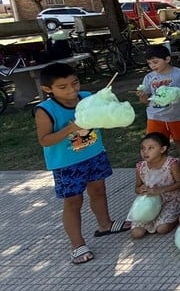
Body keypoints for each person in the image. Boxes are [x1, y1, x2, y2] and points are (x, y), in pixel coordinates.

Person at [35, 63, 130, 264]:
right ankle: (77, 245)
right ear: (47, 89)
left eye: (75, 83)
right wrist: (72, 128)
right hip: (67, 164)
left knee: (98, 191)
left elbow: (105, 117)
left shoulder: (87, 98)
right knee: (73, 201)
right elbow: (44, 140)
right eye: (63, 87)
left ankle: (105, 224)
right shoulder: (46, 110)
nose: (72, 89)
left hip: (94, 154)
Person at [136, 45, 180, 171]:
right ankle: (159, 168)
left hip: (177, 115)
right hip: (155, 116)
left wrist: (179, 94)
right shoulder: (149, 77)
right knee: (154, 143)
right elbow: (145, 100)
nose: (153, 65)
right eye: (149, 63)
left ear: (167, 59)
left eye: (156, 62)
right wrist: (142, 96)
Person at [131, 133, 180, 239]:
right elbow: (137, 187)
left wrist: (161, 190)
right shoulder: (140, 167)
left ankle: (176, 216)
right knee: (137, 233)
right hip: (149, 204)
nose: (145, 152)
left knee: (162, 229)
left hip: (170, 201)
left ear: (162, 149)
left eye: (151, 148)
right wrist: (140, 190)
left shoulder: (171, 164)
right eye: (143, 148)